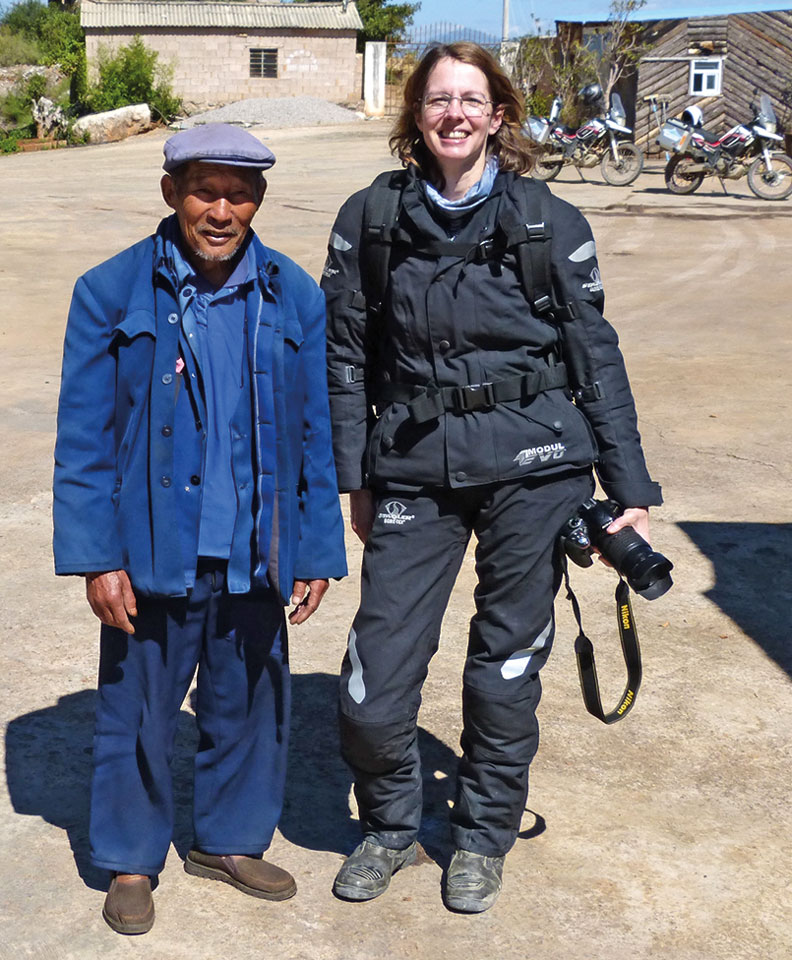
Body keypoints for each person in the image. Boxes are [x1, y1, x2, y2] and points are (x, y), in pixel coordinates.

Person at [321, 43, 662, 914]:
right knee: (372, 682)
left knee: (502, 672)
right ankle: (392, 826)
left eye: (472, 100)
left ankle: (479, 837)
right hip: (414, 468)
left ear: (499, 116)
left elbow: (596, 356)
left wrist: (630, 491)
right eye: (439, 100)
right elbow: (347, 355)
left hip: (535, 468)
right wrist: (352, 476)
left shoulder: (549, 220)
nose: (455, 115)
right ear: (416, 116)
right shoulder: (371, 218)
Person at [53, 124, 347, 934]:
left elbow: (315, 433)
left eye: (239, 193)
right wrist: (96, 557)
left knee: (252, 700)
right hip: (152, 549)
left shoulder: (293, 294)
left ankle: (228, 839)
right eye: (204, 191)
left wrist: (315, 546)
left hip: (256, 544)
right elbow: (84, 438)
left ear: (258, 200)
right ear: (170, 193)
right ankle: (130, 857)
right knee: (139, 707)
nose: (221, 210)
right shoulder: (110, 292)